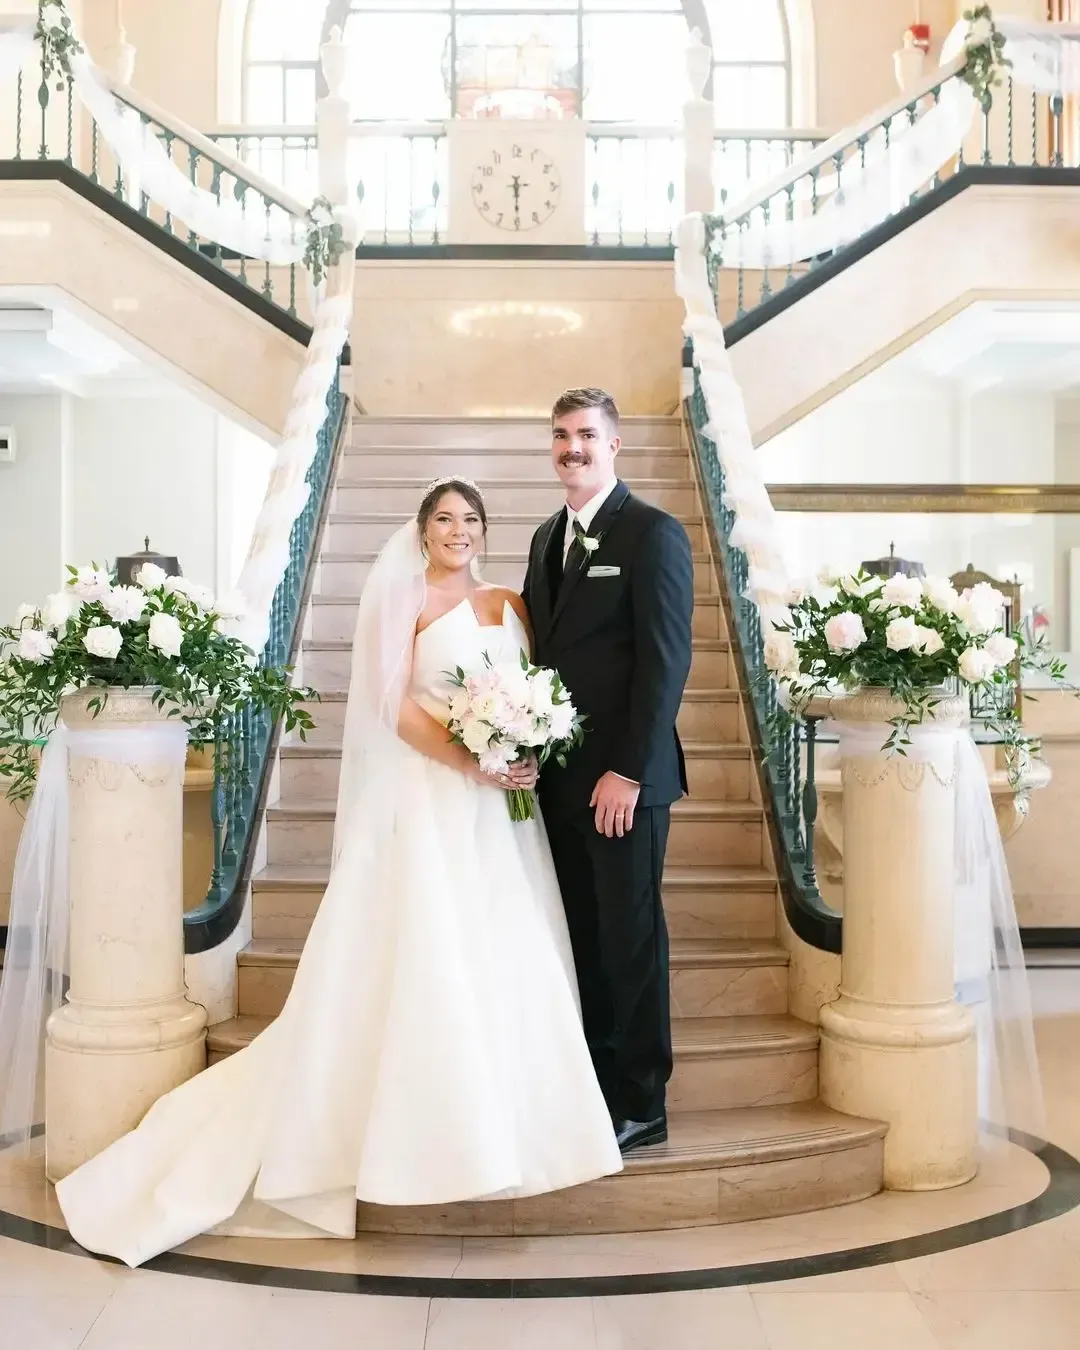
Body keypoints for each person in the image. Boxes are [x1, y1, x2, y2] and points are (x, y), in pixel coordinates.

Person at [54, 478, 622, 1268]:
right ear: (421, 531)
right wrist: (475, 759)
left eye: (469, 519)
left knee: (504, 949)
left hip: (501, 815)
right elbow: (393, 705)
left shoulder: (511, 604)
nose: (458, 530)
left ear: (485, 531)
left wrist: (520, 753)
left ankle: (517, 1122)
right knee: (434, 956)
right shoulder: (404, 598)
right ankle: (427, 1136)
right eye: (444, 519)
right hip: (434, 800)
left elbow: (531, 694)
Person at [522, 388, 695, 1154]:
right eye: (561, 435)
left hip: (624, 782)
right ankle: (594, 1080)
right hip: (560, 781)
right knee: (583, 935)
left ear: (614, 445)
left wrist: (627, 769)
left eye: (586, 434)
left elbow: (665, 662)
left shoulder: (653, 533)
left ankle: (642, 1099)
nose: (572, 448)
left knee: (629, 936)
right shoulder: (543, 537)